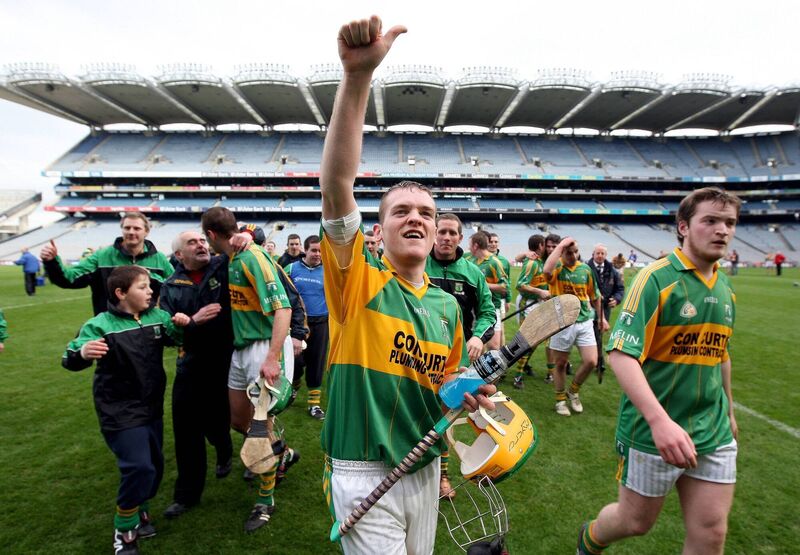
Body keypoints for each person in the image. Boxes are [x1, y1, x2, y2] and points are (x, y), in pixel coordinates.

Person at [318, 16, 495, 554]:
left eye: (426, 211)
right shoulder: (357, 279)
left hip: (425, 465)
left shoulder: (446, 306)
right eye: (401, 212)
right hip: (363, 468)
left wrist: (469, 395)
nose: (415, 218)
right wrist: (358, 77)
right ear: (378, 230)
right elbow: (336, 183)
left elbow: (444, 389)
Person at [577, 187, 741, 555]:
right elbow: (620, 353)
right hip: (652, 431)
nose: (722, 230)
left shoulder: (727, 289)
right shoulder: (655, 279)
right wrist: (660, 421)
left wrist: (728, 411)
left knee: (712, 531)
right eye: (711, 221)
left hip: (712, 430)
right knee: (635, 522)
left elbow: (721, 355)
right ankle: (589, 538)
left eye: (729, 222)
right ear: (683, 226)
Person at [61, 265, 190, 555]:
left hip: (151, 406)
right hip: (117, 410)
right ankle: (124, 531)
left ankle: (141, 508)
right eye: (142, 287)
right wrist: (82, 353)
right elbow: (69, 356)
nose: (150, 292)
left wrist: (181, 325)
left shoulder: (156, 317)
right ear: (121, 292)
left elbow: (177, 339)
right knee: (139, 467)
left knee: (154, 468)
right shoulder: (100, 325)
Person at [201, 207, 292, 533]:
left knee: (258, 428)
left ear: (211, 235)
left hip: (261, 349)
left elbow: (283, 308)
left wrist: (272, 357)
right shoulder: (234, 256)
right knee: (238, 420)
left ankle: (265, 501)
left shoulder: (252, 258)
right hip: (241, 351)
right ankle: (283, 452)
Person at [158, 231, 234, 519]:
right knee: (187, 433)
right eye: (193, 243)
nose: (201, 244)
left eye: (203, 240)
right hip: (189, 367)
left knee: (217, 423)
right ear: (179, 255)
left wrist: (244, 237)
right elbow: (166, 331)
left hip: (225, 363)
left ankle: (224, 448)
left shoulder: (223, 265)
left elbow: (248, 246)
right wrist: (191, 322)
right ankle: (187, 495)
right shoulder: (170, 286)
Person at [425, 213, 496, 497]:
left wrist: (478, 336)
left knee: (443, 419)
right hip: (415, 356)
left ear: (460, 238)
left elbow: (488, 312)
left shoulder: (472, 273)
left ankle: (441, 477)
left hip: (455, 362)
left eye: (452, 233)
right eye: (441, 232)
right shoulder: (418, 264)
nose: (446, 237)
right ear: (434, 234)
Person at [41, 212, 174, 315]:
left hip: (147, 327)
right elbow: (70, 278)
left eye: (136, 228)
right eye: (127, 228)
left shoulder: (159, 259)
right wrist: (52, 261)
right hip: (110, 328)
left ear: (146, 231)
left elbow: (174, 288)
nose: (131, 232)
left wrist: (149, 276)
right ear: (122, 230)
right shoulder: (102, 256)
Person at [543, 237, 604, 416]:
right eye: (568, 252)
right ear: (562, 252)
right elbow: (546, 269)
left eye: (575, 252)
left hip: (584, 321)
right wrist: (561, 245)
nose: (573, 255)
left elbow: (594, 295)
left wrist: (602, 318)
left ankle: (573, 391)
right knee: (560, 363)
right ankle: (560, 399)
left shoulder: (585, 269)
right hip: (563, 322)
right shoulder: (556, 268)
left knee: (591, 361)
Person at [286, 235, 328, 421]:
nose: (318, 254)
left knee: (316, 363)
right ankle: (294, 386)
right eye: (314, 250)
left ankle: (314, 405)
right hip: (296, 325)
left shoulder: (329, 272)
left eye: (320, 251)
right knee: (295, 363)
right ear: (305, 250)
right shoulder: (291, 269)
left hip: (321, 323)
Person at [511, 234, 550, 388]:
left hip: (539, 303)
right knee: (526, 340)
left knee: (536, 340)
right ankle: (517, 376)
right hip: (528, 303)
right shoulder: (532, 263)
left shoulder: (543, 262)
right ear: (540, 245)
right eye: (546, 244)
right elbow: (520, 284)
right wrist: (539, 292)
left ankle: (524, 365)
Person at [465, 231, 508, 351]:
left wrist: (481, 285)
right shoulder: (471, 260)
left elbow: (504, 287)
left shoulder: (494, 262)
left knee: (493, 346)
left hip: (492, 307)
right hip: (473, 307)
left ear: (475, 246)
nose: (468, 248)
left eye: (470, 245)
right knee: (474, 344)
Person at [587, 244, 625, 375]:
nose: (600, 255)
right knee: (590, 333)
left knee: (598, 333)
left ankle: (597, 360)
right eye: (598, 253)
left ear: (606, 255)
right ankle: (596, 360)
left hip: (605, 308)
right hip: (588, 307)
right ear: (593, 254)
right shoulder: (586, 268)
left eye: (602, 253)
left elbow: (620, 288)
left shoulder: (612, 270)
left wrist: (617, 298)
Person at [487, 232, 512, 343]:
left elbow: (508, 282)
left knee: (500, 329)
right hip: (485, 299)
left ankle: (500, 356)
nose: (493, 244)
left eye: (496, 242)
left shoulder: (504, 261)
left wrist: (508, 300)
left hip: (499, 300)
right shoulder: (482, 259)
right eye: (491, 241)